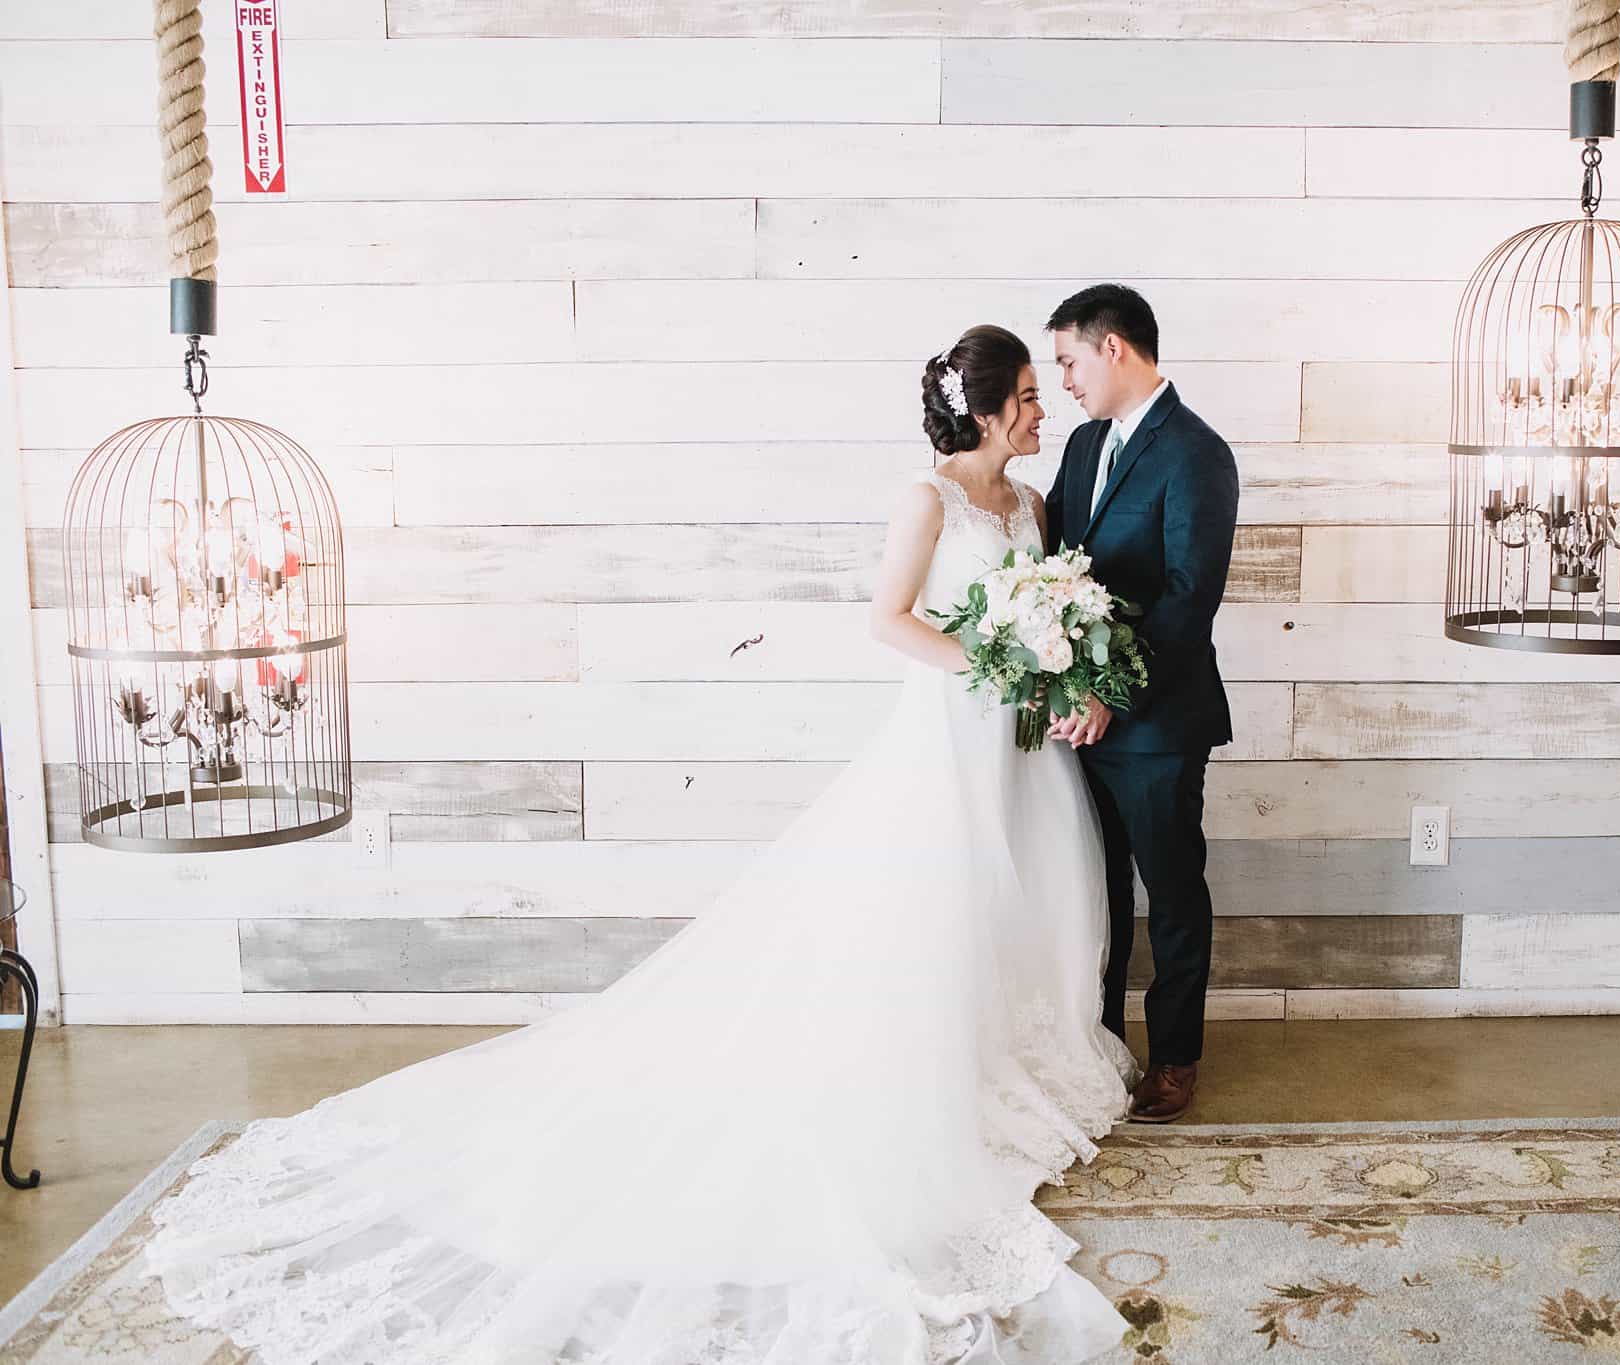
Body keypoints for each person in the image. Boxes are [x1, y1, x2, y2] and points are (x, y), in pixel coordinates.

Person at [138, 324, 1140, 1365]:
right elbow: (888, 620)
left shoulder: (1030, 506)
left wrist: (1051, 666)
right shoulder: (925, 500)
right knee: (941, 902)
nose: (1041, 410)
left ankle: (1012, 1052)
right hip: (949, 733)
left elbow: (1046, 606)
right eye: (1028, 395)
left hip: (1023, 741)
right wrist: (994, 665)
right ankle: (940, 1080)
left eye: (1041, 392)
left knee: (1025, 888)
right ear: (986, 408)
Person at [1041, 285, 1240, 1125]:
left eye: (1069, 362)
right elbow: (1056, 566)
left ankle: (1175, 1056)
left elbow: (1191, 598)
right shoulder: (1085, 444)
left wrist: (1110, 696)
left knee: (1172, 890)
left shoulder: (1197, 453)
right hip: (1075, 722)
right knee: (1096, 892)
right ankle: (1101, 1045)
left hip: (1157, 724)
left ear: (1113, 347)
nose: (1064, 382)